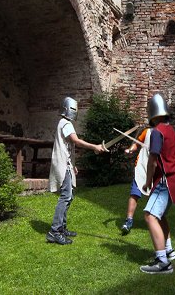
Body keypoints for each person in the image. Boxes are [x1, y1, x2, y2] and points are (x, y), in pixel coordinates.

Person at [47, 96, 107, 245]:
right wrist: (94, 147)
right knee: (66, 196)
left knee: (69, 195)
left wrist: (72, 164)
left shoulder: (64, 123)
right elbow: (75, 140)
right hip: (62, 164)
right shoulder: (65, 123)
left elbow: (67, 147)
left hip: (66, 164)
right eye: (73, 109)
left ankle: (62, 228)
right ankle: (54, 231)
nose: (75, 112)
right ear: (67, 109)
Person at [139, 93, 175, 274]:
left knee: (150, 216)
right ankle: (169, 250)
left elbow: (152, 161)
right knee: (159, 216)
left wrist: (147, 182)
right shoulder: (171, 129)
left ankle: (163, 262)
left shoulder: (158, 133)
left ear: (152, 112)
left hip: (165, 180)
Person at [120, 125, 152, 235]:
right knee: (135, 193)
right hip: (141, 167)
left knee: (155, 195)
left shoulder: (163, 133)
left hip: (155, 170)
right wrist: (130, 150)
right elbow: (136, 144)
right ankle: (129, 220)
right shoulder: (146, 132)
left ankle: (154, 219)